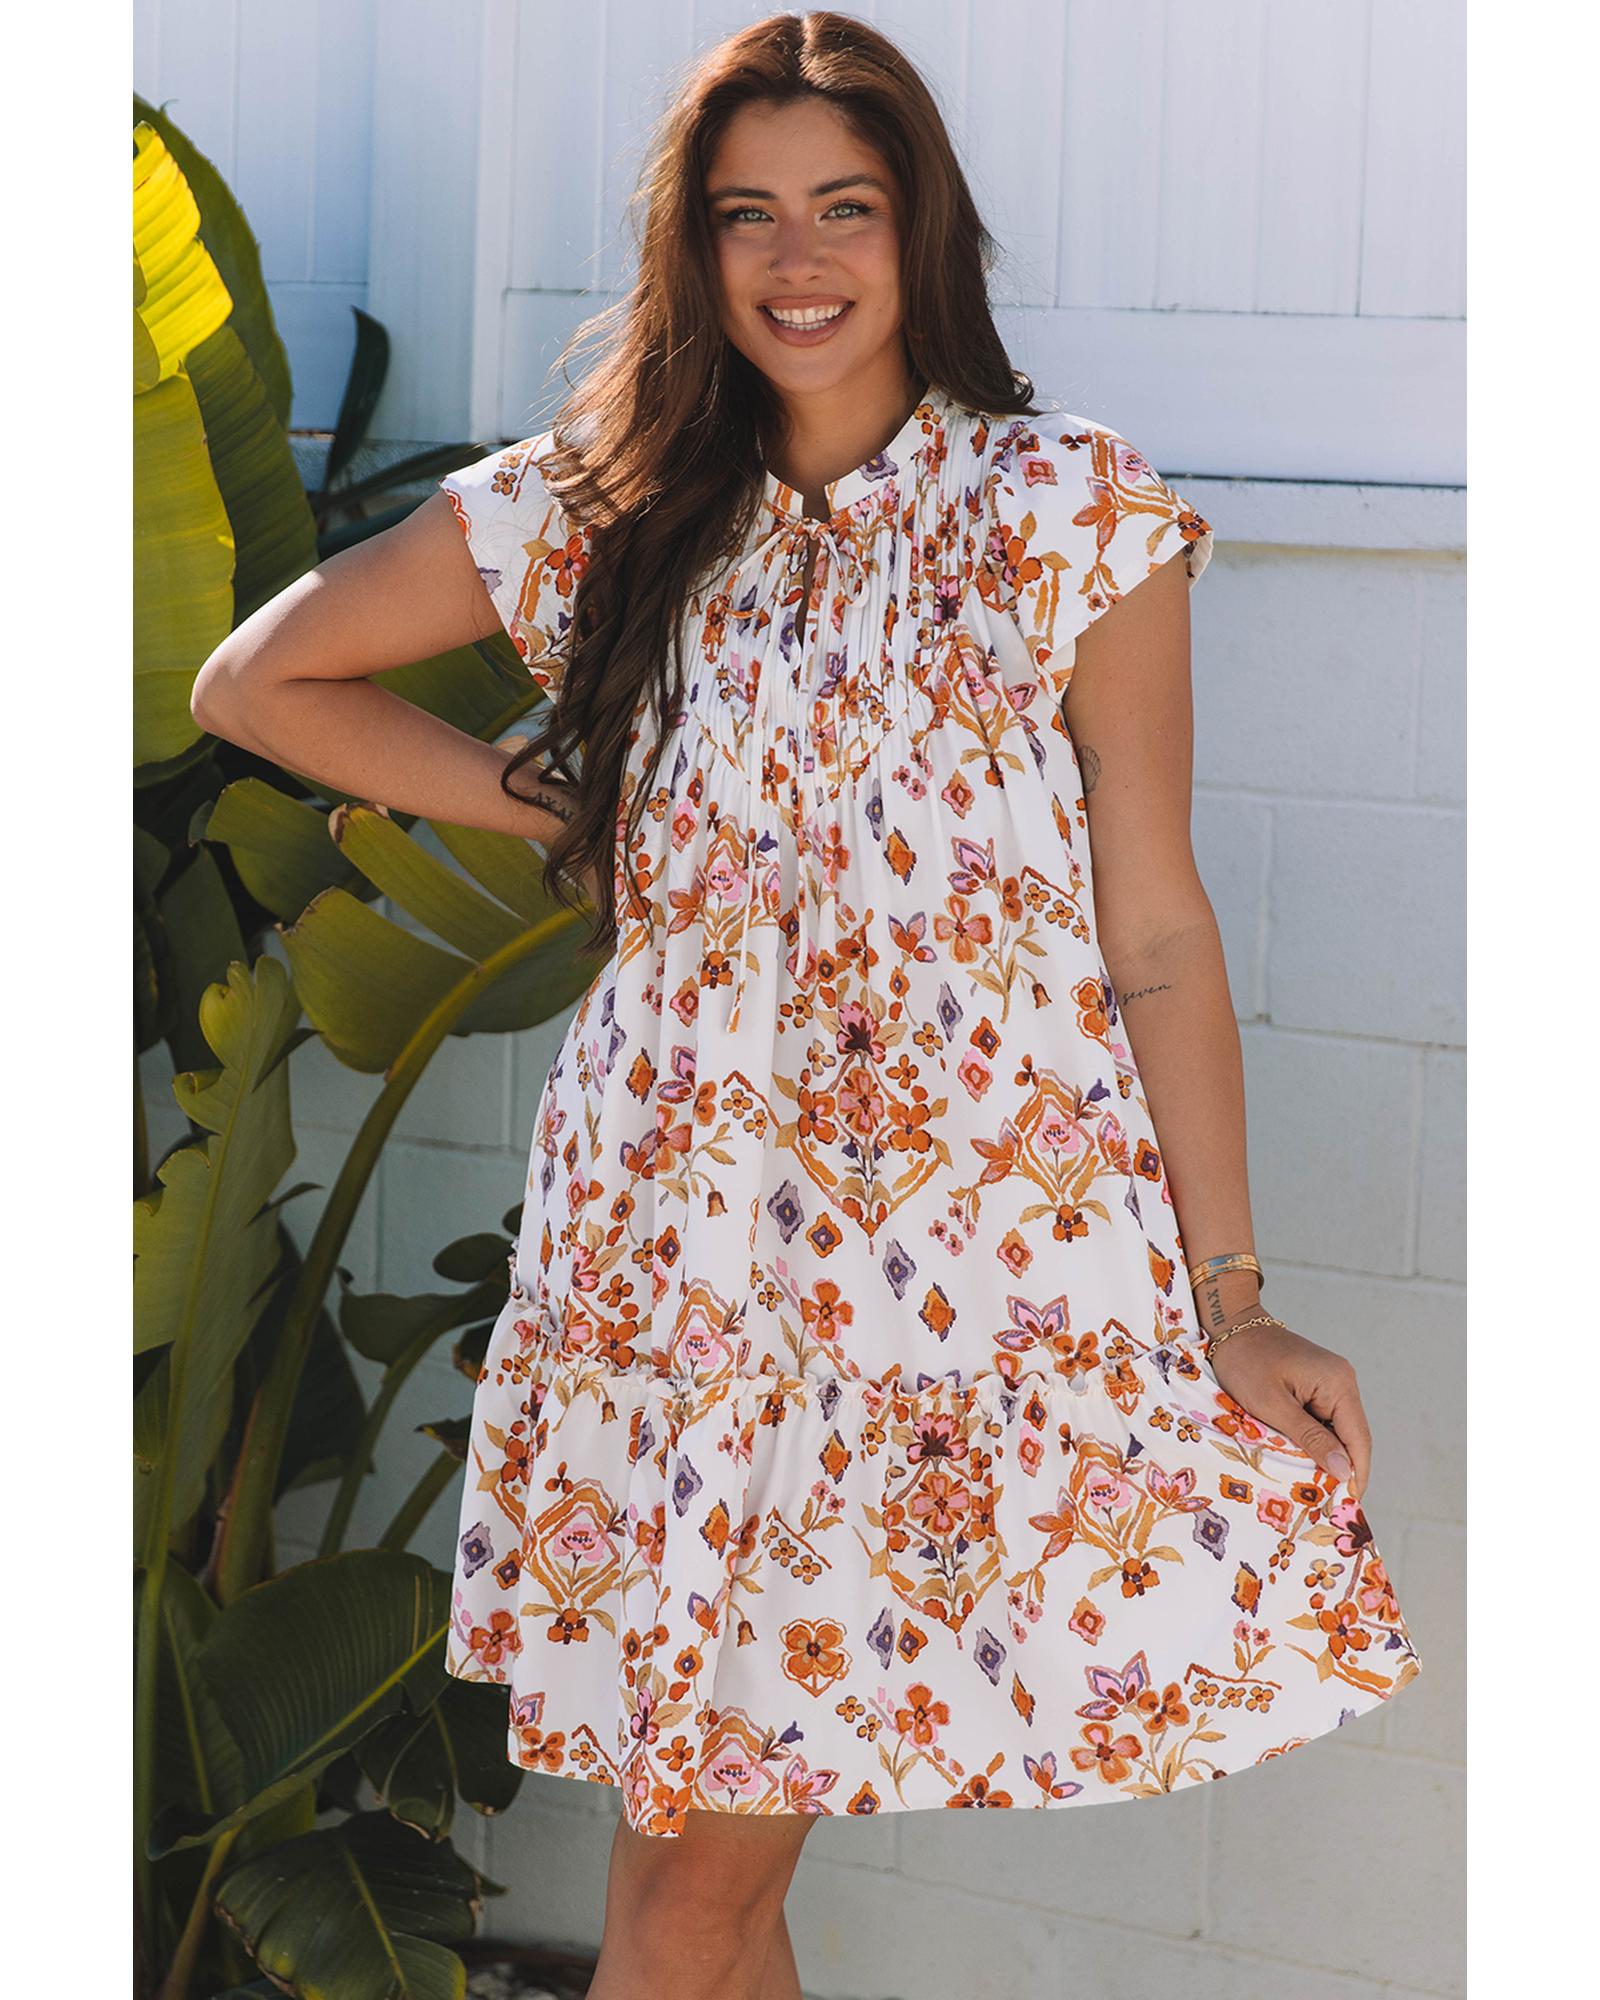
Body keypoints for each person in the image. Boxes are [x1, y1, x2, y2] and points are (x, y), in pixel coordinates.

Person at [191, 13, 1423, 1999]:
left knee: (694, 1906)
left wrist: (1232, 1299)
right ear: (690, 245)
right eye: (745, 213)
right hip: (683, 1275)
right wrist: (569, 803)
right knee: (708, 1905)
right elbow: (257, 681)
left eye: (844, 207)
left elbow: (1158, 931)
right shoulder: (601, 504)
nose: (796, 259)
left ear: (920, 226)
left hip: (962, 1289)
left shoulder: (1062, 508)